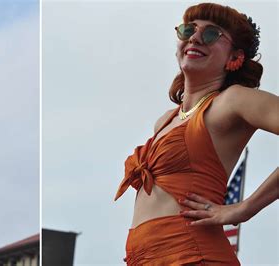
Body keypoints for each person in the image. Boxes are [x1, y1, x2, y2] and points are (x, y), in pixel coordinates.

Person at [114, 3, 278, 265]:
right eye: (188, 29)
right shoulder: (164, 121)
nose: (195, 37)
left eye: (212, 33)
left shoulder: (233, 101)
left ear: (234, 56)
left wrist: (246, 207)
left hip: (194, 255)